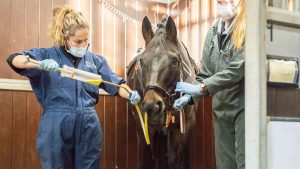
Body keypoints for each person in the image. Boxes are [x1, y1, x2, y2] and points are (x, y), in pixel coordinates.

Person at [7, 5, 140, 169]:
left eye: (86, 40)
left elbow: (116, 84)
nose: (83, 45)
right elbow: (13, 59)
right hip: (57, 121)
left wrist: (130, 93)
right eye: (78, 41)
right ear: (65, 38)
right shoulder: (46, 55)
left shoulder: (95, 61)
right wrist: (39, 64)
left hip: (88, 123)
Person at [173, 0, 245, 169]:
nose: (224, 3)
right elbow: (205, 72)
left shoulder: (247, 28)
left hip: (243, 106)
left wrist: (201, 88)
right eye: (221, 1)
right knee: (224, 164)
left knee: (245, 162)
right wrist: (190, 96)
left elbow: (237, 69)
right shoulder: (213, 31)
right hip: (220, 108)